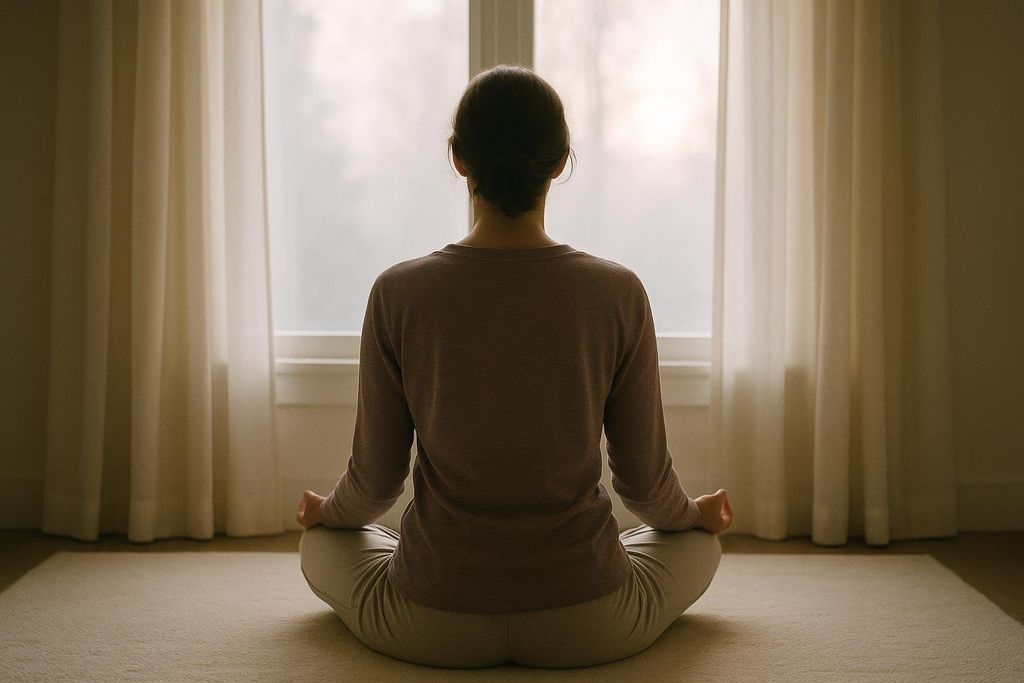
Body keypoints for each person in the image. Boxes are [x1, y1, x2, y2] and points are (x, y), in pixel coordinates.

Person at [296, 64, 734, 670]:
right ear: (559, 163)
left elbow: (373, 485)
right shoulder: (617, 292)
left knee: (321, 542)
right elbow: (645, 489)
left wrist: (326, 514)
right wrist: (694, 518)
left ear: (458, 160)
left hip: (430, 623)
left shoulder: (398, 292)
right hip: (590, 622)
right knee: (698, 547)